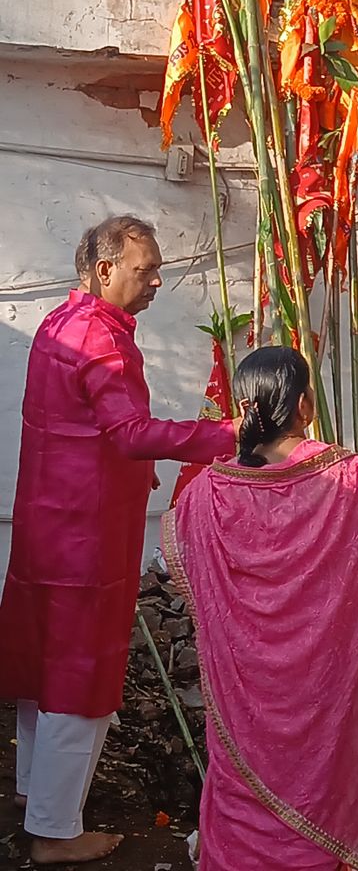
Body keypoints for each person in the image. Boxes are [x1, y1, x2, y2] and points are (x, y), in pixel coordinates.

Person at [0, 216, 239, 865]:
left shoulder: (60, 324)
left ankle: (32, 796)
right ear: (105, 271)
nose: (158, 278)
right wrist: (224, 436)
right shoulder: (101, 340)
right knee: (80, 681)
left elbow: (96, 434)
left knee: (46, 671)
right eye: (147, 268)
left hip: (49, 528)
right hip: (88, 538)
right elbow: (129, 433)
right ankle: (54, 833)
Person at [164, 346, 358, 871]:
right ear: (306, 405)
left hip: (244, 707)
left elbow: (186, 566)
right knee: (320, 794)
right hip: (328, 697)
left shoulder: (206, 494)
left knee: (240, 802)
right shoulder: (351, 479)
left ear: (243, 407)